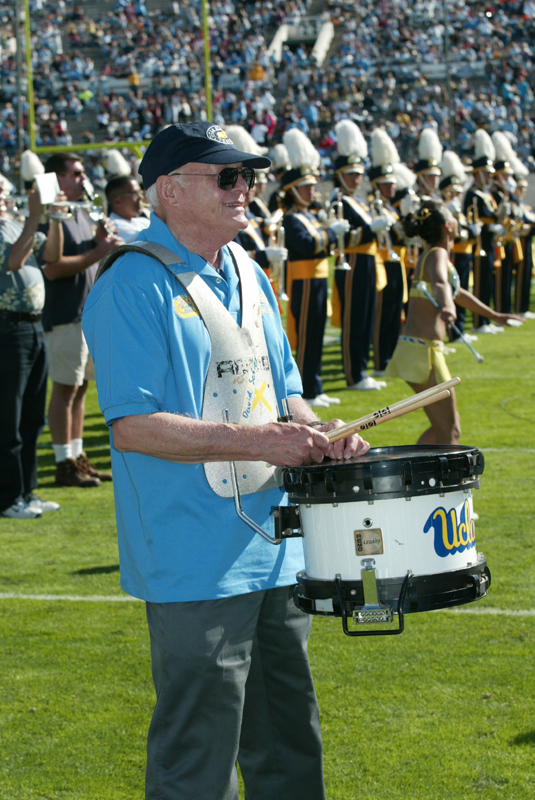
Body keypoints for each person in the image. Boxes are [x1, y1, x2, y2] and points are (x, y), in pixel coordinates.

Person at [82, 121, 370, 800]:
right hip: (193, 559)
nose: (247, 190)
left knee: (290, 744)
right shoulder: (131, 282)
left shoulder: (246, 267)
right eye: (229, 177)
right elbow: (131, 427)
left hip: (276, 543)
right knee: (196, 757)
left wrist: (321, 432)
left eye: (250, 177)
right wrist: (260, 441)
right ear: (170, 191)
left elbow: (286, 392)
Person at [386, 200, 523, 444]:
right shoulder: (438, 253)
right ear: (448, 226)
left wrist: (495, 316)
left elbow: (457, 292)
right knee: (450, 433)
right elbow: (440, 284)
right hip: (422, 351)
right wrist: (447, 306)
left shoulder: (435, 255)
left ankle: (412, 478)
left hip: (422, 349)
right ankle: (422, 480)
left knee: (448, 430)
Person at [40, 153, 124, 487]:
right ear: (57, 178)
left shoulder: (81, 211)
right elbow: (53, 267)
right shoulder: (51, 215)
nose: (82, 178)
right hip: (63, 312)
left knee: (80, 388)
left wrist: (104, 238)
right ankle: (63, 463)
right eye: (74, 173)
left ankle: (77, 457)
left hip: (85, 312)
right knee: (65, 388)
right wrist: (97, 250)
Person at [0, 185, 63, 519]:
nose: (4, 192)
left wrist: (53, 220)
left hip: (32, 326)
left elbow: (50, 254)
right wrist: (34, 216)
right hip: (6, 328)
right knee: (8, 418)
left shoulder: (14, 223)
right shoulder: (16, 225)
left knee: (32, 418)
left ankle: (26, 490)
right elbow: (14, 261)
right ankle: (8, 497)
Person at [281, 127, 348, 407]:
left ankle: (315, 385)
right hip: (304, 280)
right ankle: (306, 389)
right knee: (306, 336)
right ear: (293, 191)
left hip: (319, 278)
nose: (312, 190)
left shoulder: (308, 215)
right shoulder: (291, 218)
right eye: (306, 187)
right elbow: (308, 245)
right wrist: (332, 233)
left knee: (317, 334)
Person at [331, 119, 390, 391]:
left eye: (358, 173)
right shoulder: (338, 200)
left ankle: (362, 369)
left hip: (367, 260)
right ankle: (354, 373)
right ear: (340, 174)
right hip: (352, 261)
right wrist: (369, 230)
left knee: (366, 317)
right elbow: (344, 237)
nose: (357, 178)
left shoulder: (360, 200)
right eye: (350, 173)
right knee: (353, 318)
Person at [105, 175, 150, 243]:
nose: (141, 197)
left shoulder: (143, 221)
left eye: (140, 192)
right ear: (117, 202)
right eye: (135, 193)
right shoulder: (113, 226)